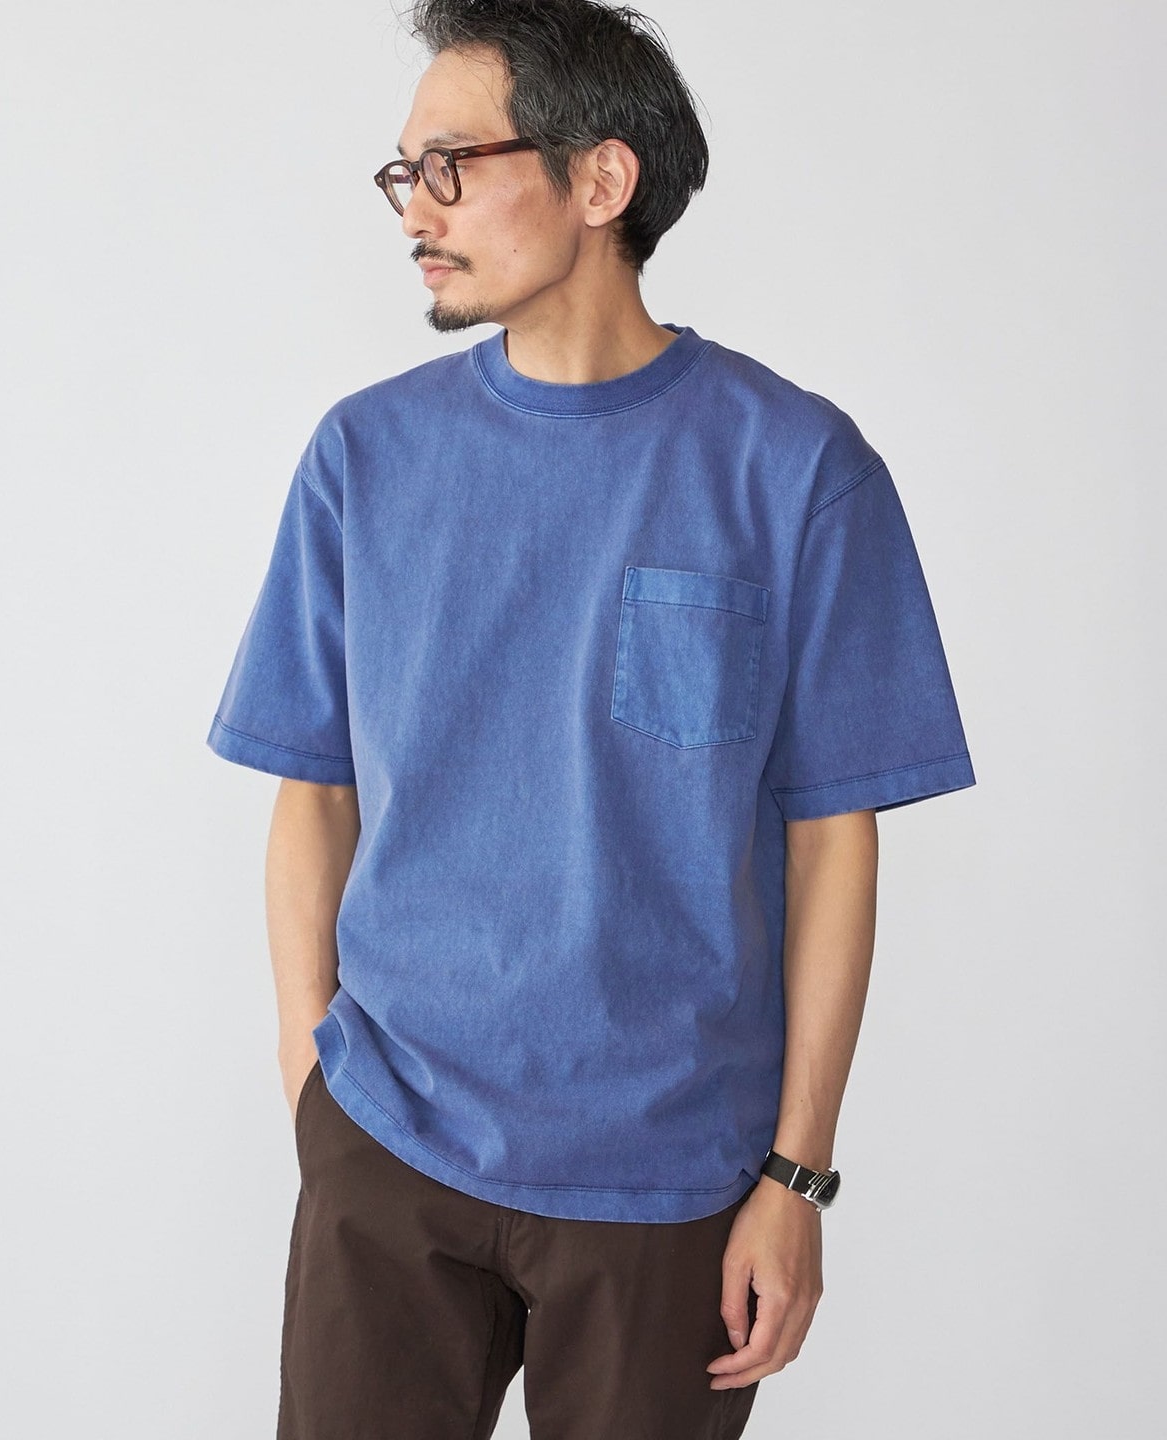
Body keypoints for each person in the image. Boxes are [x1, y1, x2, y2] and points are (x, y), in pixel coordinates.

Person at [205, 1, 976, 1435]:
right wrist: (314, 1077)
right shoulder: (366, 456)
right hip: (390, 1142)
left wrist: (796, 1178)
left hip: (671, 1176)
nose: (415, 210)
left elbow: (836, 841)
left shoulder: (796, 470)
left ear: (600, 179)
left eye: (453, 165)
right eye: (404, 173)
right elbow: (312, 787)